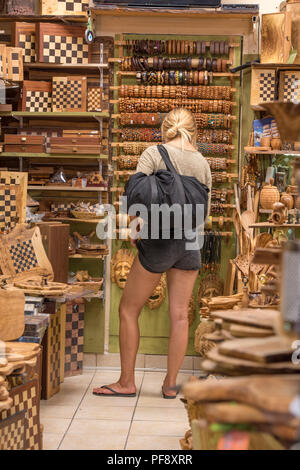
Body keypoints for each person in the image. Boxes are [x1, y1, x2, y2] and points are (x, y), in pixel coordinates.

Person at [93, 108, 212, 399]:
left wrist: (135, 229)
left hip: (158, 240)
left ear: (164, 128)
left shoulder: (152, 153)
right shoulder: (202, 162)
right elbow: (204, 213)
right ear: (194, 130)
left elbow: (137, 197)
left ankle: (126, 382)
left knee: (128, 309)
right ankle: (171, 385)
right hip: (190, 241)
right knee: (181, 316)